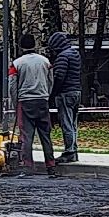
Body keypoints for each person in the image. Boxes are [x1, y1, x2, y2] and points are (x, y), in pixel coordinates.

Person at [10, 34, 57, 176]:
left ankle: (27, 167)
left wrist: (15, 102)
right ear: (34, 45)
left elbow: (12, 86)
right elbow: (51, 81)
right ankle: (51, 166)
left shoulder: (17, 64)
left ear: (21, 46)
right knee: (45, 135)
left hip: (25, 102)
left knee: (26, 136)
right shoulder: (45, 62)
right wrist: (46, 95)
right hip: (42, 101)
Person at [48, 31, 81, 163]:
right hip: (76, 92)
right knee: (73, 124)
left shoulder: (62, 57)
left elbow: (59, 77)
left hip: (65, 93)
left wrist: (52, 93)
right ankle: (74, 149)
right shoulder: (75, 54)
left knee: (66, 123)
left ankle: (69, 152)